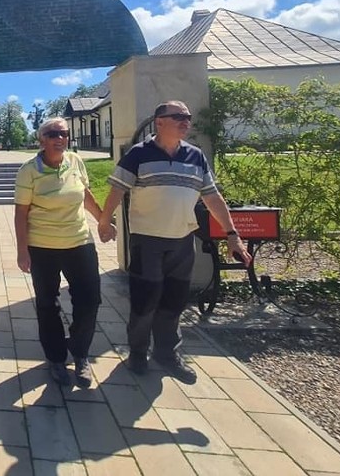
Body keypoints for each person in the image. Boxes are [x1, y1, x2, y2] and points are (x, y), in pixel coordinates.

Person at [97, 100, 251, 384]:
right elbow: (117, 189)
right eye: (178, 116)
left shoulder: (196, 157)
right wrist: (105, 221)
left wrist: (232, 235)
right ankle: (138, 354)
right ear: (160, 122)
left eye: (188, 117)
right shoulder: (138, 155)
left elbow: (212, 197)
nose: (185, 121)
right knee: (145, 303)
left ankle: (167, 355)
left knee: (174, 302)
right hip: (147, 242)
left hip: (182, 242)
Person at [14, 117, 113, 387]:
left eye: (64, 133)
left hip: (79, 242)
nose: (60, 138)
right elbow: (20, 213)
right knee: (47, 304)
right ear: (41, 139)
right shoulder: (28, 171)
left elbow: (85, 194)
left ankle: (80, 354)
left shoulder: (75, 162)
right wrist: (22, 250)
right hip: (42, 246)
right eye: (53, 133)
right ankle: (56, 358)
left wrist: (103, 221)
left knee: (90, 300)